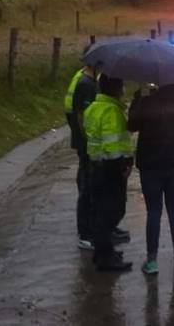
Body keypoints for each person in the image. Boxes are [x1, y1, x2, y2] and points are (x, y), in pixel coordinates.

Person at [128, 83, 174, 275]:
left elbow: (131, 125)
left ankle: (152, 260)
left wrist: (136, 100)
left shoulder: (146, 103)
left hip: (150, 165)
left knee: (154, 212)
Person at [84, 75, 134, 272]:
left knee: (101, 212)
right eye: (121, 84)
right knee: (112, 212)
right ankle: (106, 257)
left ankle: (103, 252)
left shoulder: (94, 108)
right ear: (114, 88)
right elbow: (112, 145)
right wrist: (122, 167)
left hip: (95, 166)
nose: (123, 88)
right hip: (110, 170)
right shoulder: (111, 111)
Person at [65, 53, 99, 250]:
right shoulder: (86, 84)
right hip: (86, 144)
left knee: (89, 186)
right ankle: (85, 233)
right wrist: (89, 140)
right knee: (86, 188)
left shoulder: (86, 79)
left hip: (85, 142)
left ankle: (91, 228)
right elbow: (81, 116)